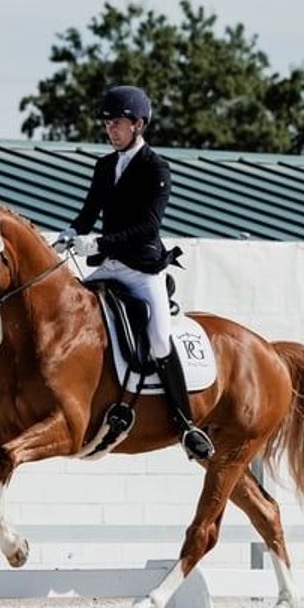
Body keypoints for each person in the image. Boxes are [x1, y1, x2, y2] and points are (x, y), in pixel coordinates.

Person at [55, 84, 214, 462]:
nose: (111, 130)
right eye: (107, 123)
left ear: (139, 125)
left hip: (142, 271)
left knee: (159, 339)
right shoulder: (105, 166)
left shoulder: (155, 168)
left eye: (118, 123)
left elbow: (147, 227)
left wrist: (98, 244)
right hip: (108, 268)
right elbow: (89, 210)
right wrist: (73, 232)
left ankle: (185, 422)